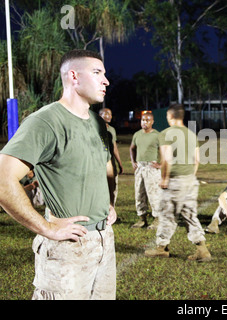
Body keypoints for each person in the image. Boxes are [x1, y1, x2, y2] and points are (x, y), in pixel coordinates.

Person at [0, 49, 117, 300]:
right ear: (73, 76)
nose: (106, 80)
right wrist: (47, 228)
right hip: (68, 249)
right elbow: (2, 180)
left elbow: (97, 170)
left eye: (105, 74)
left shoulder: (98, 124)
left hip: (104, 240)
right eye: (97, 73)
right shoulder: (45, 122)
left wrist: (106, 204)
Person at [144, 104, 211, 262]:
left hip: (174, 180)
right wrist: (190, 177)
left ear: (170, 116)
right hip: (190, 180)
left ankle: (161, 247)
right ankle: (202, 249)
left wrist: (165, 178)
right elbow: (197, 160)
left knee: (167, 214)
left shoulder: (166, 134)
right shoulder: (191, 135)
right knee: (189, 214)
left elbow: (166, 158)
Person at [130, 111, 162, 229]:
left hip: (151, 169)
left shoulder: (157, 135)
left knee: (154, 194)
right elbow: (132, 148)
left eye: (147, 120)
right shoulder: (137, 134)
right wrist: (133, 162)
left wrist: (161, 164)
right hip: (140, 168)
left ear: (152, 122)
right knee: (139, 193)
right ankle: (142, 219)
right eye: (143, 120)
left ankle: (157, 219)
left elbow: (166, 150)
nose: (144, 122)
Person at [99, 107, 124, 205]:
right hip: (99, 162)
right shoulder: (94, 127)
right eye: (106, 114)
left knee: (112, 187)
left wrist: (119, 164)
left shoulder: (112, 129)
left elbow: (114, 148)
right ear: (100, 115)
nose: (109, 116)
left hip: (110, 162)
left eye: (110, 114)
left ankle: (111, 210)